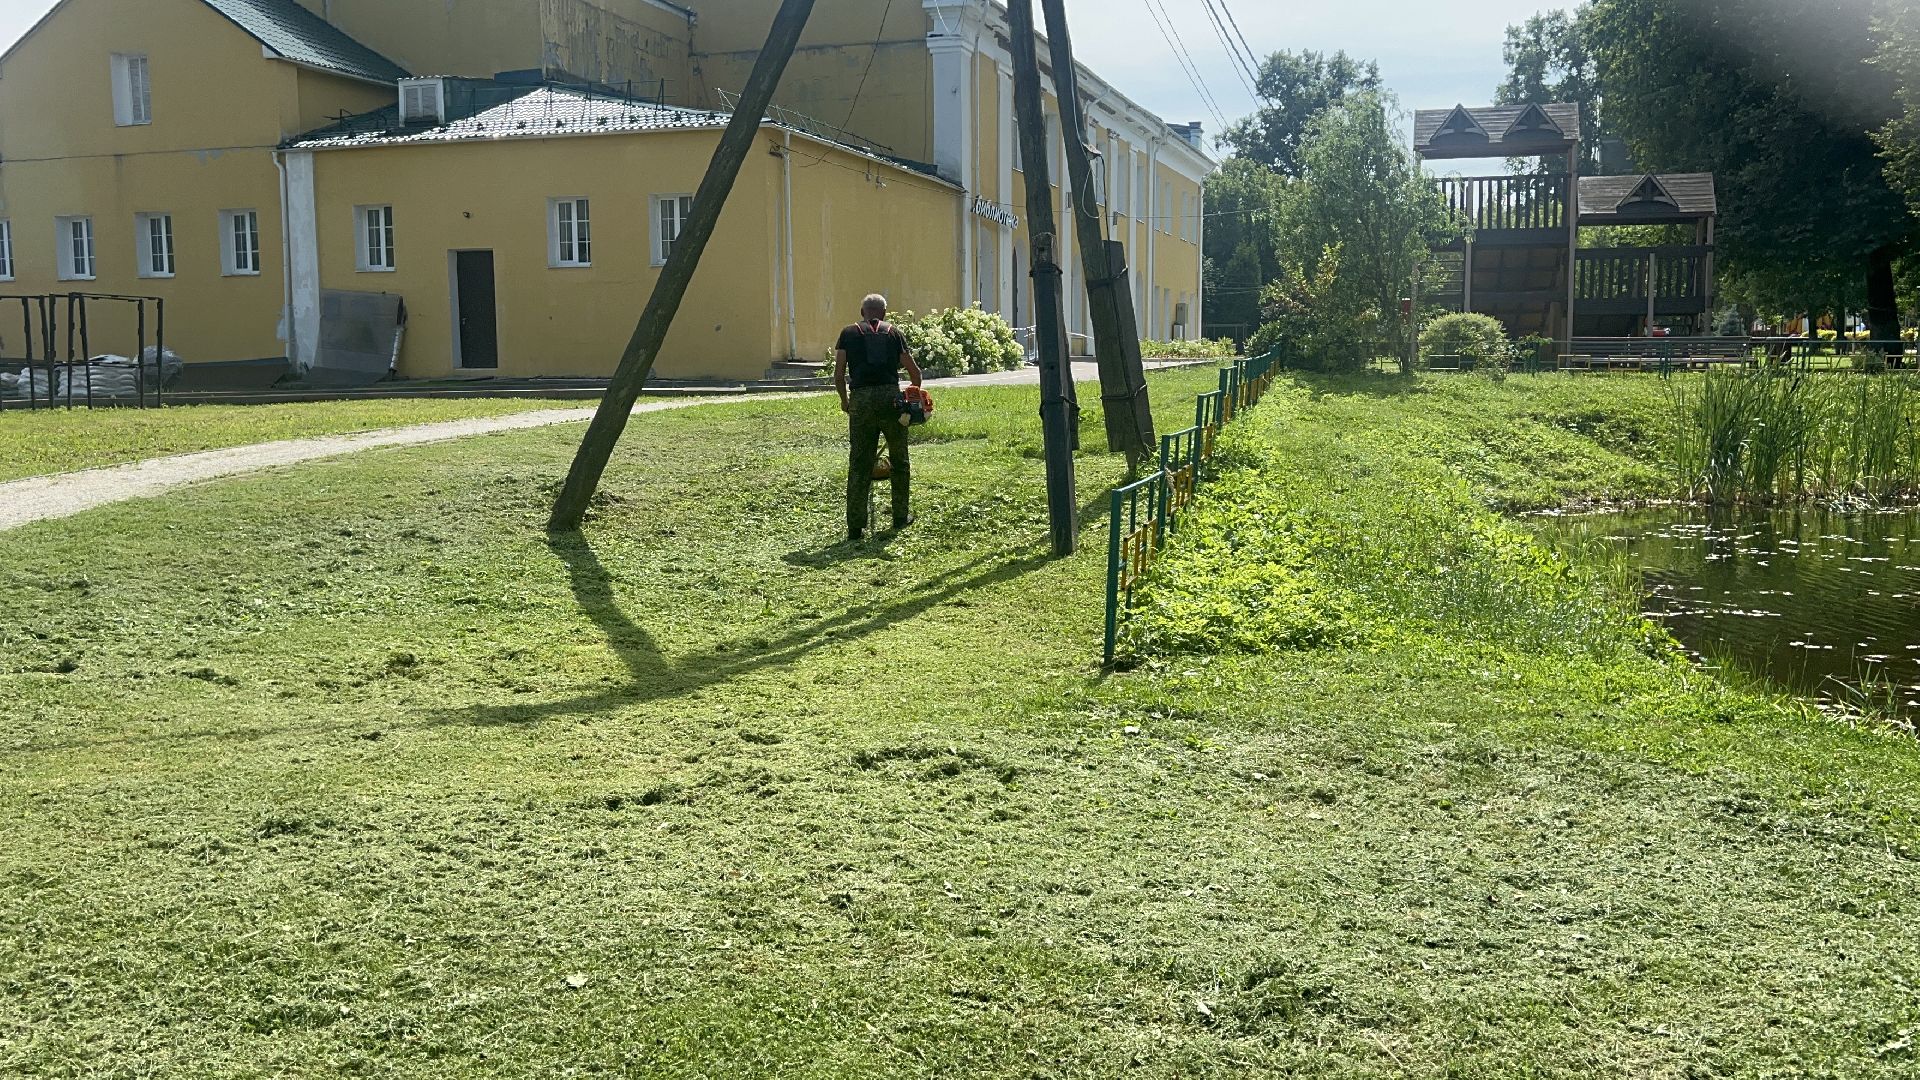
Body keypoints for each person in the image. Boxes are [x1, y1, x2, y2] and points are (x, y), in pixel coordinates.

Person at [835, 293, 923, 541]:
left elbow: (839, 375)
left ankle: (855, 527)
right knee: (899, 458)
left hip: (861, 400)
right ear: (884, 313)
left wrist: (845, 401)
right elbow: (915, 374)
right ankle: (900, 516)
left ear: (862, 312)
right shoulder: (894, 333)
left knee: (859, 462)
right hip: (890, 400)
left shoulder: (848, 333)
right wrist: (911, 399)